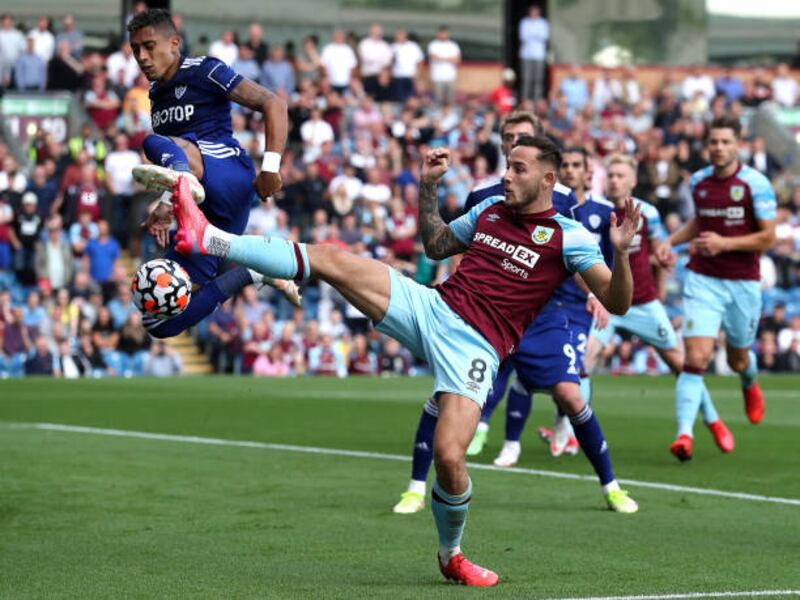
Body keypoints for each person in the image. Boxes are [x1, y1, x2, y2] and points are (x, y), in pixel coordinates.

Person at [170, 131, 639, 585]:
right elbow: (437, 245)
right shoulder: (492, 209)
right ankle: (209, 238)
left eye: (519, 169)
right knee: (332, 259)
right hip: (432, 308)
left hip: (477, 349)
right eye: (507, 166)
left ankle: (451, 555)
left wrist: (619, 257)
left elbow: (617, 304)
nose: (508, 176)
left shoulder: (569, 236)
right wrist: (429, 186)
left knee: (450, 458)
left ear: (549, 179)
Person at [125, 9, 299, 340]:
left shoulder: (204, 69)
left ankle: (182, 183)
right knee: (159, 323)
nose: (142, 57)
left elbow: (274, 104)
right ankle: (255, 273)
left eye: (148, 46)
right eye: (135, 50)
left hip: (228, 171)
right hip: (208, 212)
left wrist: (271, 167)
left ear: (174, 43)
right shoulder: (156, 95)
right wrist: (167, 201)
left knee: (151, 142)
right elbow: (178, 158)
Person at [584, 154, 733, 456]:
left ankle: (714, 421)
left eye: (620, 175)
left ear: (633, 180)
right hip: (607, 305)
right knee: (582, 365)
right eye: (610, 174)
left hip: (644, 304)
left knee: (682, 366)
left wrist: (662, 280)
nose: (614, 179)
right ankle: (573, 434)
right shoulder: (594, 213)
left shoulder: (647, 213)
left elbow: (659, 253)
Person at [656, 116, 777, 461]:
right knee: (695, 358)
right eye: (714, 142)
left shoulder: (756, 184)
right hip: (703, 280)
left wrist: (725, 244)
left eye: (726, 142)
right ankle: (684, 435)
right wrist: (671, 241)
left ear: (738, 144)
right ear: (707, 144)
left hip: (742, 283)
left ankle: (749, 380)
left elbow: (768, 236)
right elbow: (701, 222)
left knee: (739, 358)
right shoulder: (698, 181)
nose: (719, 148)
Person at [518, 4, 549, 102]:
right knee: (527, 79)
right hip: (527, 55)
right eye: (532, 11)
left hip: (539, 55)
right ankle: (525, 101)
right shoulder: (524, 23)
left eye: (535, 12)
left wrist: (532, 35)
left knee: (538, 80)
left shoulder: (543, 23)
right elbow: (523, 37)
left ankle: (536, 101)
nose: (533, 14)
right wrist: (536, 35)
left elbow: (544, 37)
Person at [427, 26, 460, 105]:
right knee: (438, 100)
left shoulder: (453, 45)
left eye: (445, 33)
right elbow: (434, 57)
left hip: (450, 77)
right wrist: (449, 59)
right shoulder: (433, 45)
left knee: (450, 100)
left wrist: (441, 58)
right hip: (437, 77)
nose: (443, 35)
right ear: (438, 34)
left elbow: (457, 60)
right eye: (441, 33)